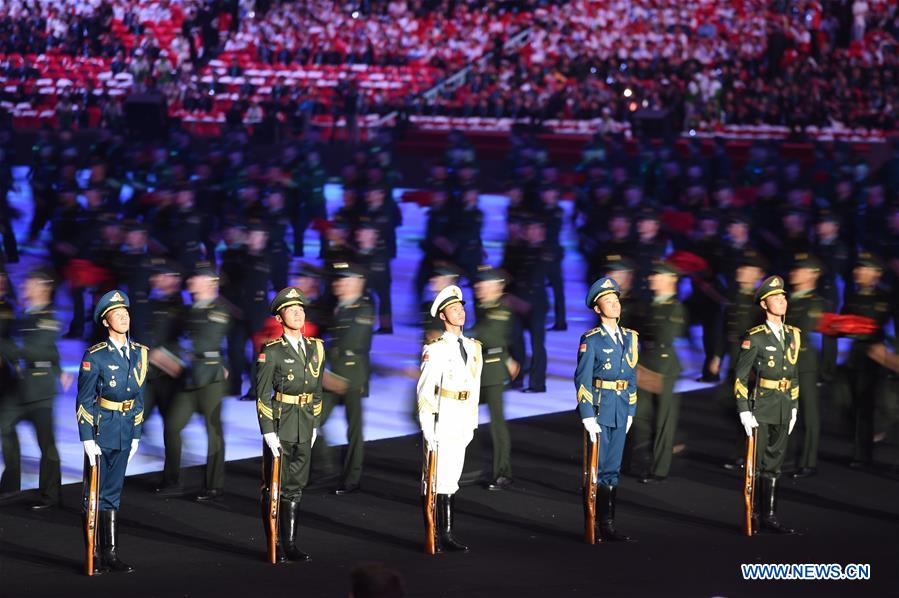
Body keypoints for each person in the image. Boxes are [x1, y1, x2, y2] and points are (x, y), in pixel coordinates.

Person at [75, 289, 148, 573]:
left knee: (112, 493)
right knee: (92, 494)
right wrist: (86, 438)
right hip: (102, 428)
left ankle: (110, 554)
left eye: (126, 313)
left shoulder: (140, 353)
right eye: (117, 314)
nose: (123, 317)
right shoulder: (96, 356)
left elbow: (139, 397)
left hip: (125, 428)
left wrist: (137, 434)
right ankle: (92, 554)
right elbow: (83, 399)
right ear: (105, 321)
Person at [256, 286, 325, 562]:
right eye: (290, 310)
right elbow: (262, 393)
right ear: (279, 318)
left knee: (296, 484)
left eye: (300, 309)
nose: (297, 313)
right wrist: (268, 431)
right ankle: (273, 543)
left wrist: (316, 423)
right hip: (281, 420)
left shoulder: (316, 347)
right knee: (274, 486)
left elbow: (318, 390)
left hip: (305, 421)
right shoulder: (271, 351)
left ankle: (290, 543)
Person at [417, 285, 482, 552]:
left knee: (452, 478)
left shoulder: (473, 346)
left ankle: (447, 533)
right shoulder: (437, 349)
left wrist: (473, 421)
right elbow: (425, 389)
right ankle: (437, 534)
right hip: (443, 415)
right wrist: (427, 426)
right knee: (435, 478)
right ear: (443, 315)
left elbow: (475, 385)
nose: (461, 312)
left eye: (462, 307)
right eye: (454, 309)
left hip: (463, 417)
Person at [733, 275, 800, 534]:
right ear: (764, 304)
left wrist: (793, 405)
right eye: (775, 298)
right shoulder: (756, 337)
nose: (782, 301)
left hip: (783, 405)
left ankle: (770, 514)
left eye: (783, 297)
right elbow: (740, 377)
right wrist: (744, 410)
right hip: (761, 406)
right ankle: (753, 514)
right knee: (756, 463)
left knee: (775, 463)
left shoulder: (793, 335)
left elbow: (793, 373)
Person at [0, 268, 71, 509]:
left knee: (46, 444)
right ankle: (10, 485)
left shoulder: (49, 318)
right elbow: (51, 352)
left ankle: (51, 496)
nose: (23, 288)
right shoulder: (26, 316)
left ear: (42, 287)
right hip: (19, 388)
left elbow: (36, 350)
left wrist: (5, 344)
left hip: (39, 391)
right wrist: (60, 369)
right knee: (4, 426)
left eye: (28, 284)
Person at [574, 276, 638, 542]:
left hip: (621, 408)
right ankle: (592, 522)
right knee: (596, 469)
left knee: (613, 468)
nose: (614, 305)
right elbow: (582, 378)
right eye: (607, 301)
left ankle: (608, 524)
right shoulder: (592, 339)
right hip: (600, 408)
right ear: (597, 309)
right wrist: (587, 415)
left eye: (616, 300)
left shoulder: (631, 338)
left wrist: (632, 409)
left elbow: (632, 377)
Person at [162, 265, 231, 501]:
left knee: (213, 432)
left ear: (211, 282)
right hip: (190, 376)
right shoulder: (190, 309)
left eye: (197, 277)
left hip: (208, 378)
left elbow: (204, 342)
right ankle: (171, 480)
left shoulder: (218, 311)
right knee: (172, 426)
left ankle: (214, 484)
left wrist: (171, 354)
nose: (191, 280)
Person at [320, 263, 375, 495]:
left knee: (354, 428)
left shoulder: (362, 308)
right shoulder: (340, 307)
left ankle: (352, 478)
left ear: (357, 282)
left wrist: (334, 375)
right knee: (314, 421)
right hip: (333, 372)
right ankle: (326, 465)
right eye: (338, 279)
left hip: (351, 374)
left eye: (345, 279)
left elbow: (353, 342)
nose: (338, 283)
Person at [632, 261, 687, 484]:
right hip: (644, 362)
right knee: (639, 414)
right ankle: (644, 454)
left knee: (664, 420)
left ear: (670, 279)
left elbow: (665, 337)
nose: (651, 278)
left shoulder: (673, 307)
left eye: (657, 276)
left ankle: (659, 469)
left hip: (664, 367)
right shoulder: (650, 304)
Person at [470, 266, 516, 490]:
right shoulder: (483, 306)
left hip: (492, 372)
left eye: (484, 284)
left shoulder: (501, 309)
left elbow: (490, 336)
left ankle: (502, 472)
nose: (479, 287)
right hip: (480, 370)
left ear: (497, 287)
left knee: (497, 425)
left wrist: (459, 333)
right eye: (479, 284)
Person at [786, 254, 825, 479]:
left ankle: (808, 462)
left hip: (804, 363)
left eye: (800, 269)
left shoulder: (814, 302)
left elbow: (802, 330)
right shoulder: (788, 300)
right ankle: (788, 458)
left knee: (809, 414)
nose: (794, 273)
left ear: (813, 274)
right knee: (786, 414)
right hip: (785, 364)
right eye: (794, 269)